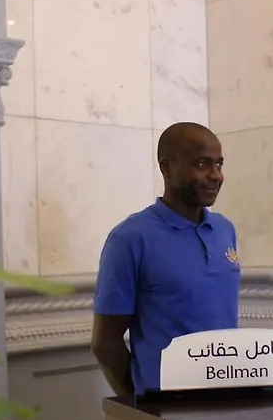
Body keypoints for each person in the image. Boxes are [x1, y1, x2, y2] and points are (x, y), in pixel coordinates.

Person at [90, 122, 241, 396]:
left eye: (219, 164)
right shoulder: (129, 238)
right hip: (166, 408)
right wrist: (141, 405)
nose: (216, 175)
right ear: (167, 168)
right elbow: (105, 344)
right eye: (202, 164)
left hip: (229, 399)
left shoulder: (224, 230)